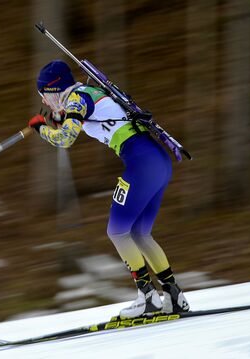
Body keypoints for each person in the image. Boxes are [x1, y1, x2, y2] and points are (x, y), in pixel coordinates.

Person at [28, 60, 190, 318]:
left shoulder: (77, 100)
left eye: (45, 96)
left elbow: (65, 139)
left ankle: (147, 297)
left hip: (142, 166)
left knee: (117, 231)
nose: (45, 103)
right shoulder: (88, 94)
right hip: (157, 162)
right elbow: (82, 119)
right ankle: (173, 295)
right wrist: (58, 119)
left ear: (55, 90)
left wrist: (40, 128)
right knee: (139, 233)